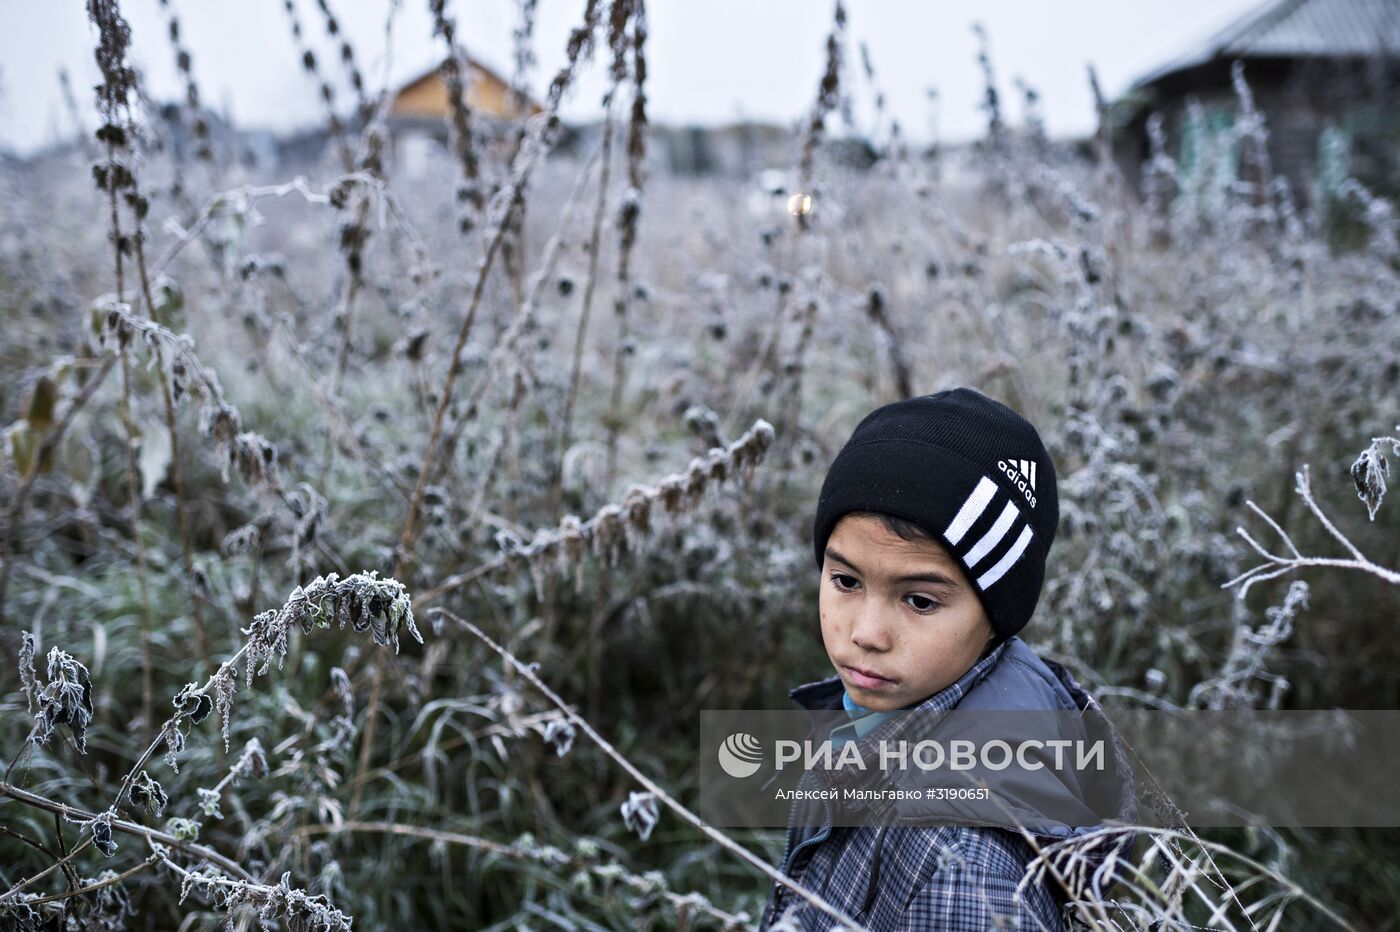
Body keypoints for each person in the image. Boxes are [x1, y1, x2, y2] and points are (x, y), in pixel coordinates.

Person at [758, 387, 1136, 930]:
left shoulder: (960, 867)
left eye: (920, 600)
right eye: (845, 580)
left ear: (997, 614)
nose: (866, 634)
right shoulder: (875, 715)